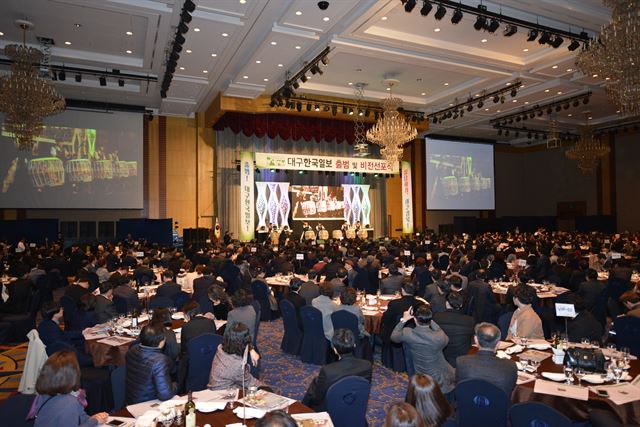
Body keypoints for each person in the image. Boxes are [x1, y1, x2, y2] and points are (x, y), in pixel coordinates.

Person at [27, 350, 108, 426]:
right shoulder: (70, 402)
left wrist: (94, 418)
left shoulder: (43, 395)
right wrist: (94, 421)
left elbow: (80, 417)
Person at [391, 304, 455, 396]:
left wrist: (404, 320)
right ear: (430, 319)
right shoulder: (439, 336)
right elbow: (445, 339)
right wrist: (429, 320)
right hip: (440, 378)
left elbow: (394, 337)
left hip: (420, 374)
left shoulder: (408, 333)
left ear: (415, 319)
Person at [302, 328, 372, 411]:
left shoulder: (328, 371)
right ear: (354, 345)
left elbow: (317, 399)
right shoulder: (367, 365)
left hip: (331, 409)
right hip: (355, 404)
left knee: (315, 384)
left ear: (334, 349)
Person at [456, 322, 518, 399]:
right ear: (498, 344)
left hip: (467, 408)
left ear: (475, 340)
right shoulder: (510, 366)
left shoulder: (461, 362)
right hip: (499, 409)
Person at [125, 323, 176, 404]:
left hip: (131, 399)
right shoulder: (159, 361)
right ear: (161, 341)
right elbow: (165, 395)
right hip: (148, 404)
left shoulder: (132, 350)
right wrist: (176, 385)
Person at [208, 322, 261, 390]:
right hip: (225, 395)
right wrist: (267, 389)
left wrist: (251, 349)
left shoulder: (221, 347)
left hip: (219, 386)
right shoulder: (237, 365)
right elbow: (251, 383)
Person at [432, 292, 474, 368]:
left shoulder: (436, 317)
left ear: (446, 304)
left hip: (441, 356)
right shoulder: (469, 320)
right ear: (461, 305)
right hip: (461, 357)